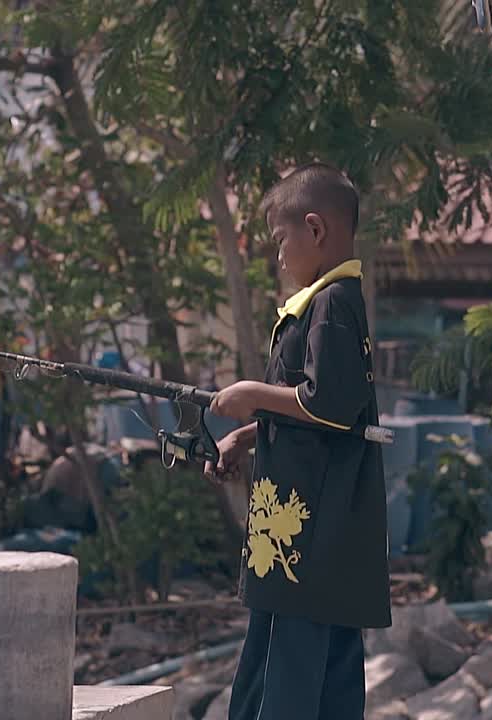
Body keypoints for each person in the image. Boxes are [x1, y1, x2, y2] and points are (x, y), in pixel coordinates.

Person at [204, 163, 390, 720]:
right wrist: (247, 434)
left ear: (315, 229)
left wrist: (253, 394)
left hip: (302, 544)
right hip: (320, 541)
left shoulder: (330, 306)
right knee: (327, 680)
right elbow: (321, 413)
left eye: (281, 240)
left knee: (281, 680)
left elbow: (328, 404)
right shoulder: (328, 304)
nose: (279, 256)